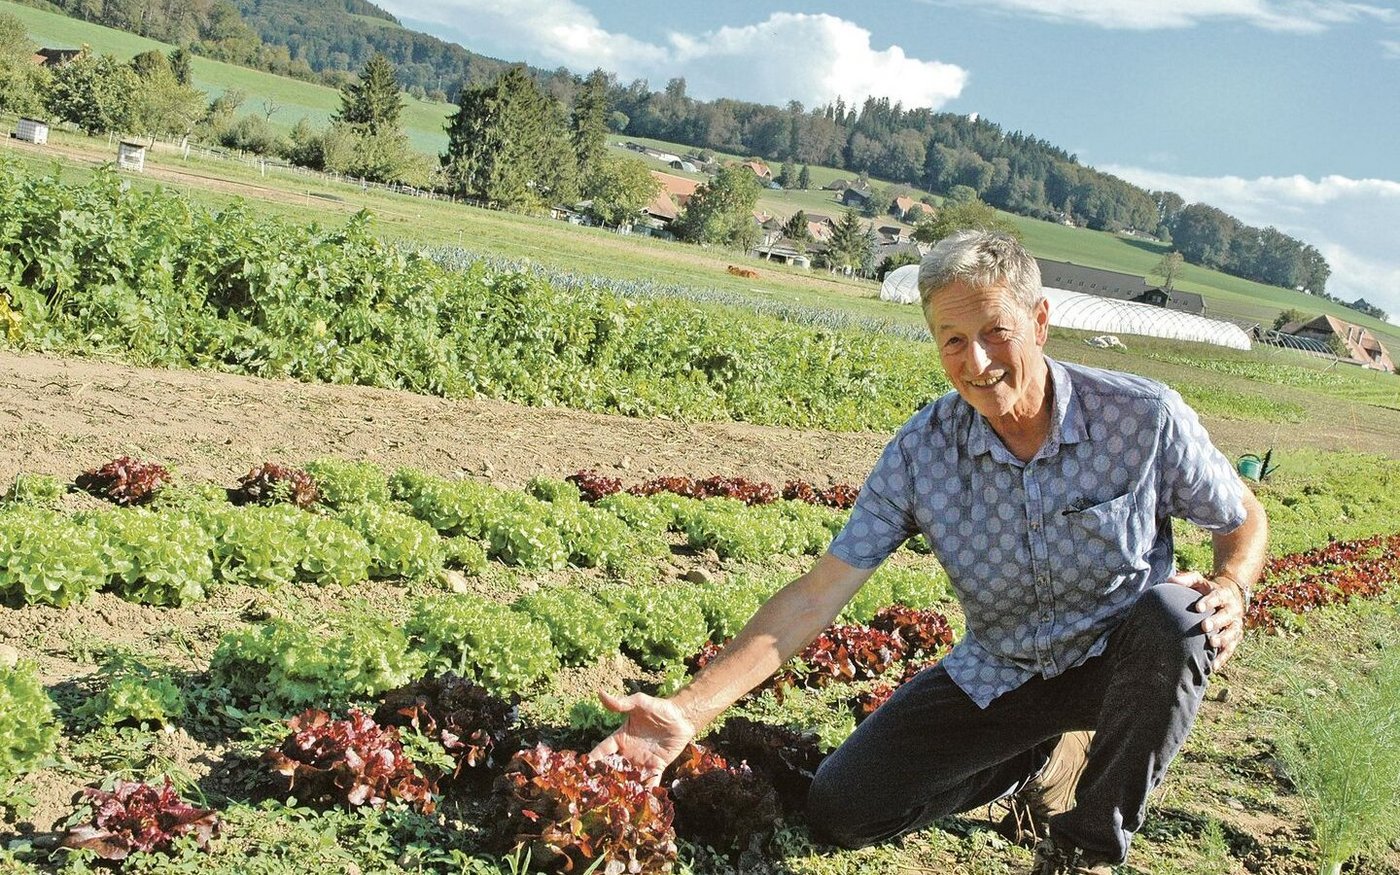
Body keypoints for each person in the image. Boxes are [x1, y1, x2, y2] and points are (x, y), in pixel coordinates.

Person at [591, 230, 1268, 875]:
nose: (976, 362)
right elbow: (817, 592)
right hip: (1004, 670)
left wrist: (1234, 583)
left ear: (1038, 320)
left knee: (1180, 619)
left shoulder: (1140, 415)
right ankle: (1039, 759)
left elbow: (1243, 515)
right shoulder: (923, 452)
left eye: (994, 332)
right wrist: (688, 708)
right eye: (953, 340)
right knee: (843, 808)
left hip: (1120, 666)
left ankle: (1085, 847)